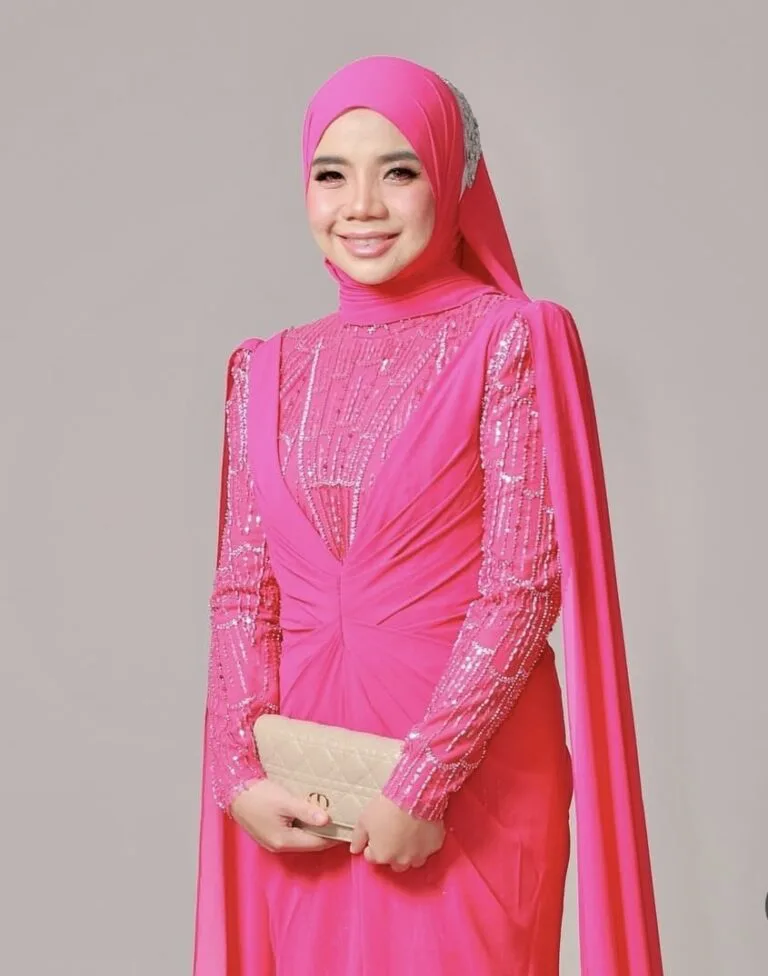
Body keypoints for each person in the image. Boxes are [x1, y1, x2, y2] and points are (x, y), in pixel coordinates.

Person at [193, 55, 664, 975]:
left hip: (466, 774)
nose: (361, 205)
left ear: (453, 179)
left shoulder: (511, 339)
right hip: (306, 784)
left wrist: (422, 781)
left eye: (399, 171)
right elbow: (243, 589)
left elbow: (522, 587)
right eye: (332, 174)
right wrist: (239, 772)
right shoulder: (263, 368)